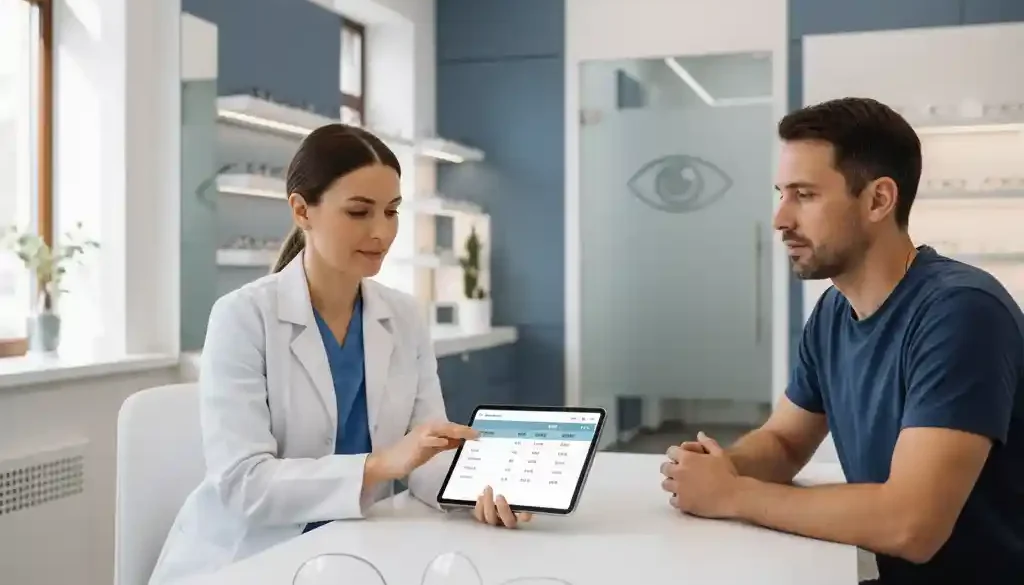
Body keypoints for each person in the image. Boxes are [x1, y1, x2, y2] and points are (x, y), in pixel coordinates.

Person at [660, 98, 1024, 584]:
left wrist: (733, 495)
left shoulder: (962, 312)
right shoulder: (834, 311)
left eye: (804, 195)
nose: (780, 219)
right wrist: (721, 468)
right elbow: (786, 441)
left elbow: (912, 524)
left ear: (878, 200)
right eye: (780, 194)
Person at [149, 124, 528, 585]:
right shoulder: (242, 317)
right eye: (358, 212)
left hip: (354, 552)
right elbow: (244, 486)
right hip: (250, 558)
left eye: (391, 212)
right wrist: (381, 464)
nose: (381, 232)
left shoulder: (403, 317)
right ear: (302, 210)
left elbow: (424, 457)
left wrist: (480, 493)